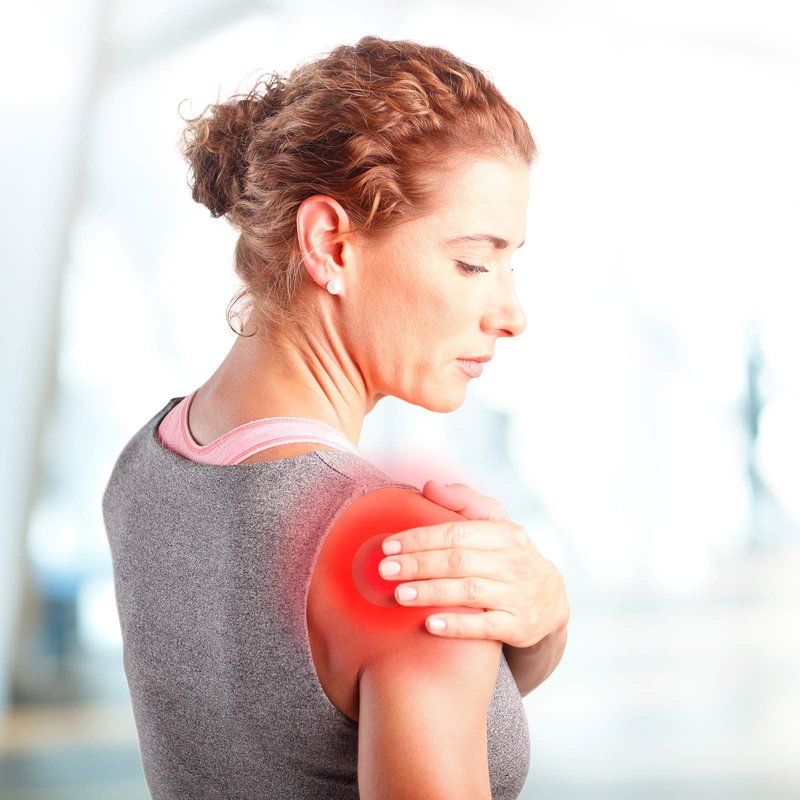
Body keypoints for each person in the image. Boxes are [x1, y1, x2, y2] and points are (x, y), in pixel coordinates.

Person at [102, 35, 569, 800]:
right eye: (473, 263)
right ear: (331, 245)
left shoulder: (146, 464)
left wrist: (541, 622)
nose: (511, 313)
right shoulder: (399, 552)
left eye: (510, 264)